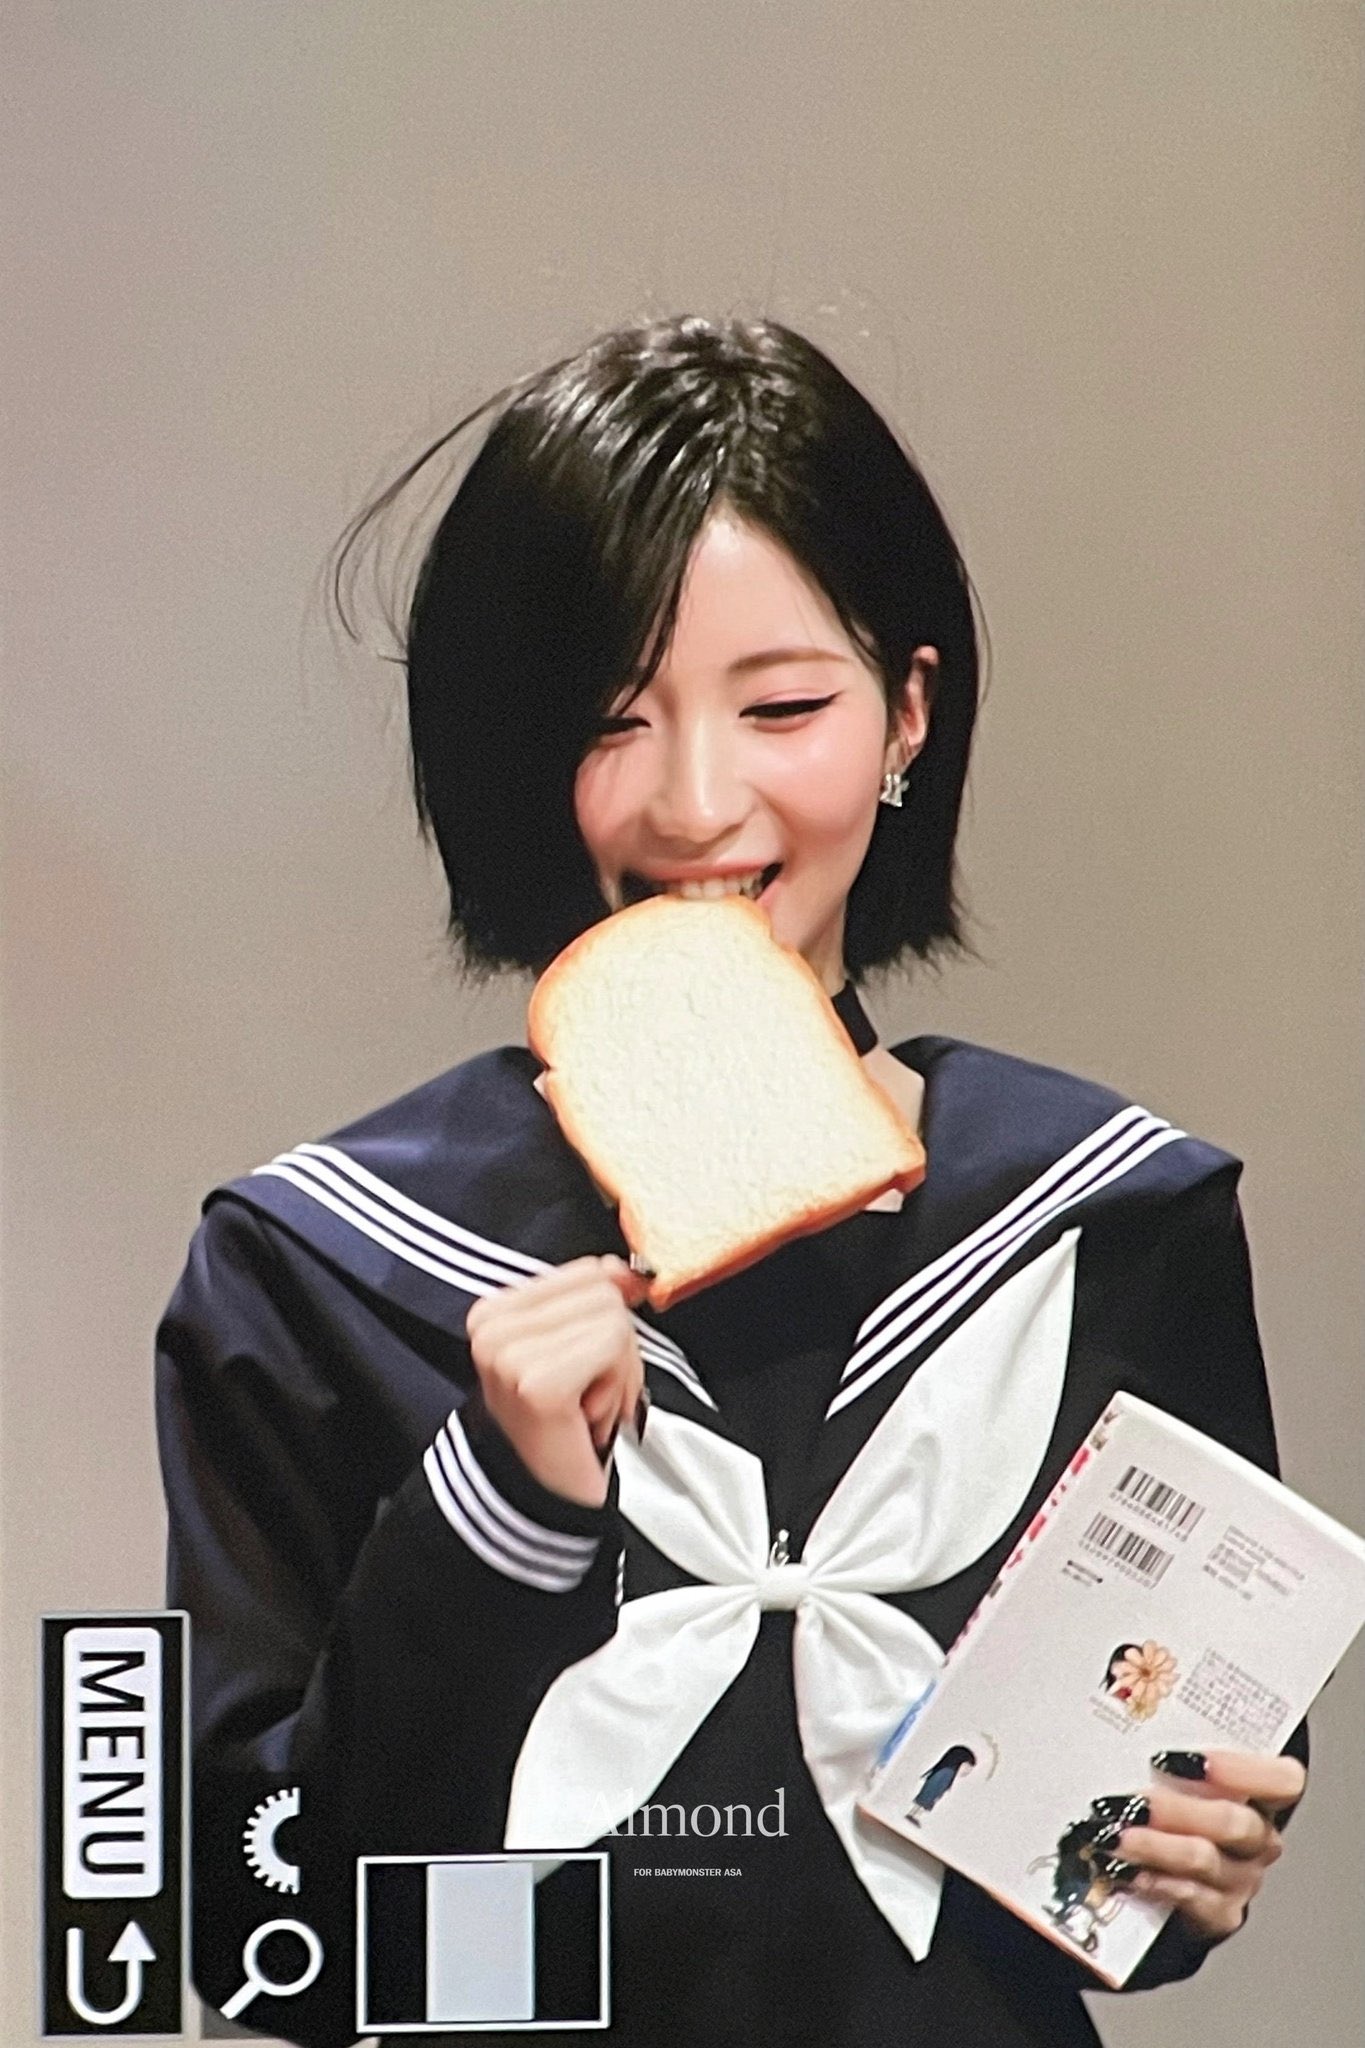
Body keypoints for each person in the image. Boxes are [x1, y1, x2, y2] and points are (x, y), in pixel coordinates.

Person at [156, 314, 1307, 2048]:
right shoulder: (309, 1265)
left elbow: (1110, 1911)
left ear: (906, 713)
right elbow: (246, 1940)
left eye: (781, 707)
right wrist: (495, 1516)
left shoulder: (1111, 1218)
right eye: (609, 720)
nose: (698, 802)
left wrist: (1178, 1873)